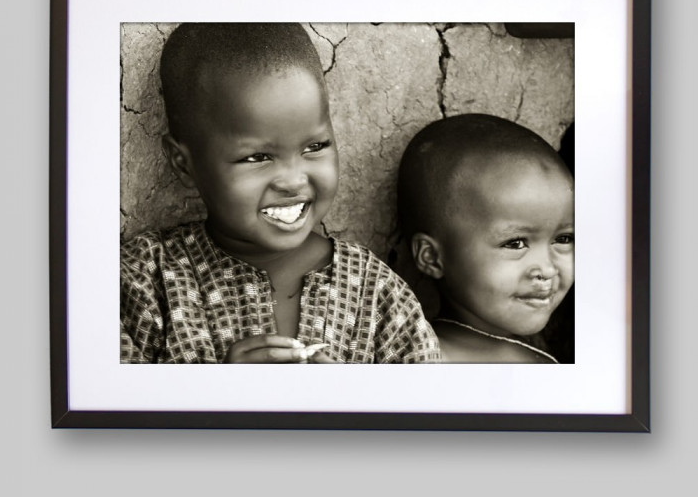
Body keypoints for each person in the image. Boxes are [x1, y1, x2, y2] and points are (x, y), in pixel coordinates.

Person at [121, 23, 441, 364]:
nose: (292, 180)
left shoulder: (375, 294)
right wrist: (219, 396)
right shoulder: (145, 284)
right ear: (184, 165)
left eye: (315, 146)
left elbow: (427, 410)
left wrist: (349, 405)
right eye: (257, 157)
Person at [397, 114, 574, 363]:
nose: (546, 269)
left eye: (564, 239)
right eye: (515, 243)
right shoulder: (427, 361)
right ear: (433, 258)